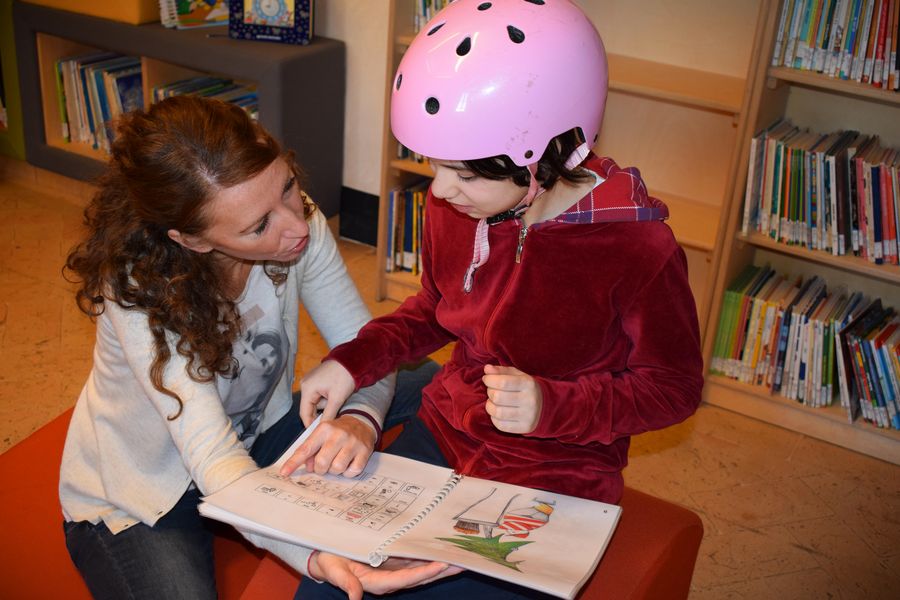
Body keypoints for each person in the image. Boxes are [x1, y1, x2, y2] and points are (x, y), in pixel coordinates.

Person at [291, 1, 704, 597]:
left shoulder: (639, 248)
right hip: (446, 432)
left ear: (547, 157)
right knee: (337, 581)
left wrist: (552, 406)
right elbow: (435, 308)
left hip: (558, 470)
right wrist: (352, 361)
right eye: (435, 165)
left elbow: (673, 388)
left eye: (465, 174)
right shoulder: (456, 204)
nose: (440, 190)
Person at [59, 95, 458, 600]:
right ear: (193, 241)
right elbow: (213, 458)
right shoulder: (139, 289)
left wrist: (361, 419)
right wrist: (314, 554)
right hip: (149, 490)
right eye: (258, 227)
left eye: (287, 186)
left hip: (258, 436)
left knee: (431, 379)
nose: (297, 224)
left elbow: (364, 347)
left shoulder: (296, 222)